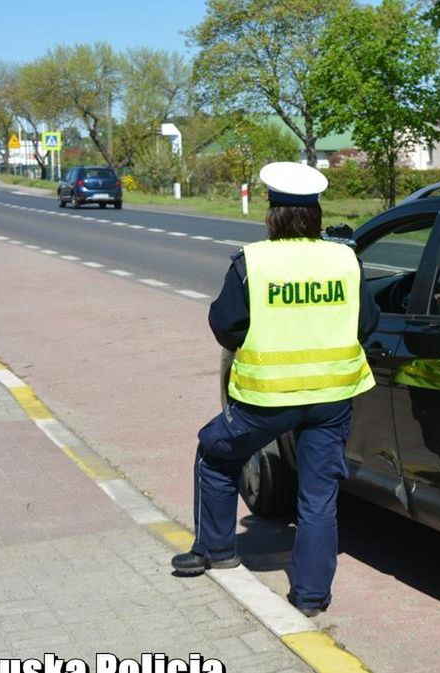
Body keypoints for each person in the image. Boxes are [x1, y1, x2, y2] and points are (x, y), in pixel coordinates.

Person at [171, 161, 379, 617]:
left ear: (272, 213)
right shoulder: (346, 259)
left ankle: (217, 549)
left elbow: (226, 327)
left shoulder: (252, 262)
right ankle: (310, 598)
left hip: (265, 401)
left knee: (214, 452)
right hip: (332, 399)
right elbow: (367, 324)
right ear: (316, 214)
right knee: (318, 496)